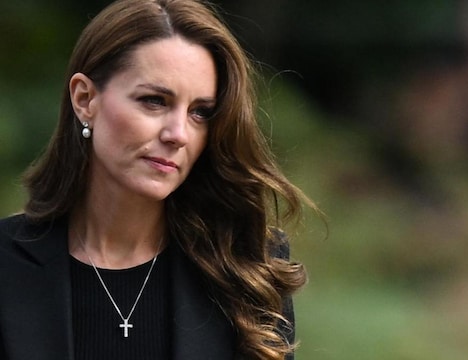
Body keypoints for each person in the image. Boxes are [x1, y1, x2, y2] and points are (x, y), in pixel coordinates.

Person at [0, 0, 313, 359]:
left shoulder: (247, 270)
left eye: (200, 112)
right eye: (154, 101)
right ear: (85, 99)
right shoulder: (6, 265)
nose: (178, 134)